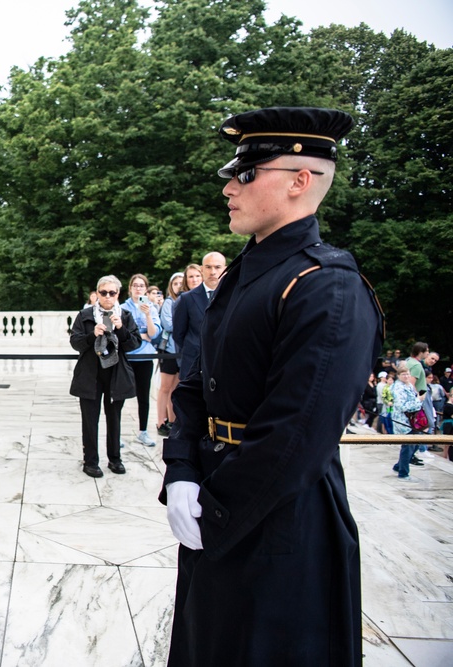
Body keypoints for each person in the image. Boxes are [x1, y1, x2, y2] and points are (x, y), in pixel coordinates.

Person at [160, 107, 383, 666]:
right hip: (219, 495)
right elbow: (195, 386)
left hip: (280, 521)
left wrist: (217, 511)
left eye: (247, 173)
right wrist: (183, 469)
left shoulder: (324, 285)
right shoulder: (247, 273)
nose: (230, 187)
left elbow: (297, 434)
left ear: (299, 181)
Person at [70, 275, 140, 477]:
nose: (108, 296)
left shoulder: (124, 316)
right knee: (90, 419)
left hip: (116, 373)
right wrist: (93, 334)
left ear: (118, 294)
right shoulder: (85, 315)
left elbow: (133, 344)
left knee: (114, 418)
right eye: (103, 292)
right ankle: (90, 461)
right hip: (90, 373)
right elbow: (76, 342)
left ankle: (115, 459)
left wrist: (121, 329)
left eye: (112, 292)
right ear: (97, 293)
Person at [120, 273, 161, 446]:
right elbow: (124, 334)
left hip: (145, 357)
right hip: (127, 357)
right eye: (135, 285)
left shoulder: (150, 307)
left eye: (141, 286)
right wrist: (141, 335)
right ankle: (116, 432)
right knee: (120, 395)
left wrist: (148, 316)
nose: (138, 289)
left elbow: (153, 334)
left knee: (143, 396)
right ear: (130, 289)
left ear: (146, 288)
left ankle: (143, 431)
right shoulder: (122, 307)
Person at [171, 253, 225, 383]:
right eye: (208, 267)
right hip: (193, 365)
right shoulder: (186, 299)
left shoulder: (233, 295)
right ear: (202, 269)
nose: (213, 272)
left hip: (223, 363)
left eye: (217, 267)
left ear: (225, 269)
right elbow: (178, 334)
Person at [156, 272, 184, 435]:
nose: (179, 286)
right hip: (169, 350)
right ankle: (160, 421)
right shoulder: (169, 302)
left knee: (176, 387)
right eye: (175, 283)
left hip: (181, 351)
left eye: (181, 282)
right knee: (165, 387)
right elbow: (168, 324)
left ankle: (173, 421)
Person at [391, 364, 425, 478]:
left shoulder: (409, 385)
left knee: (415, 444)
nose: (406, 376)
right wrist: (418, 400)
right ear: (398, 375)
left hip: (413, 420)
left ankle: (398, 465)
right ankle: (403, 472)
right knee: (408, 445)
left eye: (408, 374)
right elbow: (402, 406)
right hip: (403, 421)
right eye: (403, 374)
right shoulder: (398, 388)